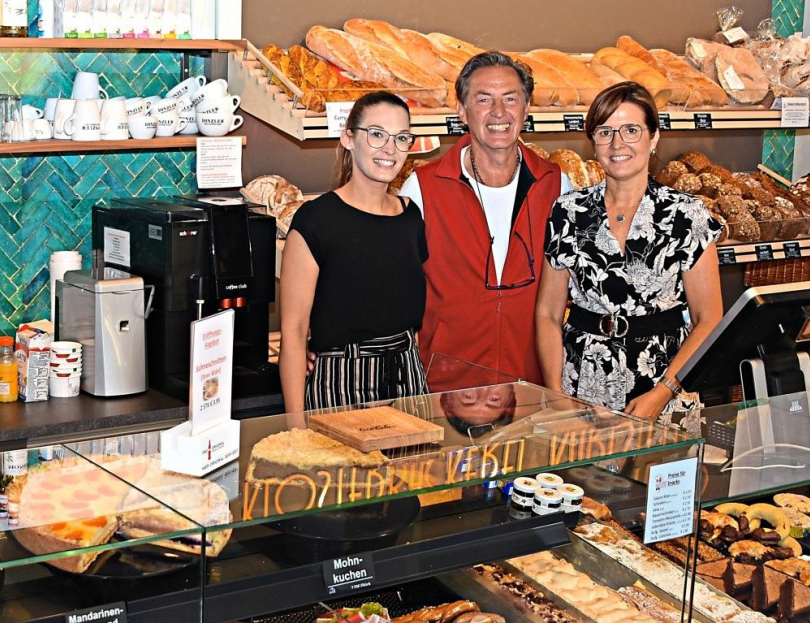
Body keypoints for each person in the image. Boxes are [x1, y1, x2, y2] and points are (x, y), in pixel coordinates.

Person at [535, 81, 725, 421]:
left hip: (666, 382)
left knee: (660, 474)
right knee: (582, 476)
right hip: (582, 384)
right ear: (593, 142)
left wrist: (663, 392)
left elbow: (708, 319)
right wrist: (557, 395)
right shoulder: (568, 211)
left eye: (631, 130)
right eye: (605, 132)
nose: (617, 143)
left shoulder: (686, 214)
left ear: (653, 138)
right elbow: (548, 313)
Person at [399, 52, 571, 393]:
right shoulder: (422, 188)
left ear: (526, 109)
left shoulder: (557, 186)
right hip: (445, 389)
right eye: (483, 99)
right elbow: (392, 287)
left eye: (510, 99)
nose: (498, 112)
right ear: (462, 111)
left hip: (531, 388)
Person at [279, 91, 428, 413]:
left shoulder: (411, 216)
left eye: (401, 138)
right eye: (377, 135)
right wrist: (296, 431)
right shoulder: (316, 220)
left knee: (415, 465)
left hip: (409, 379)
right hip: (342, 381)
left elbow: (408, 320)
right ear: (349, 138)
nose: (390, 149)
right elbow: (294, 332)